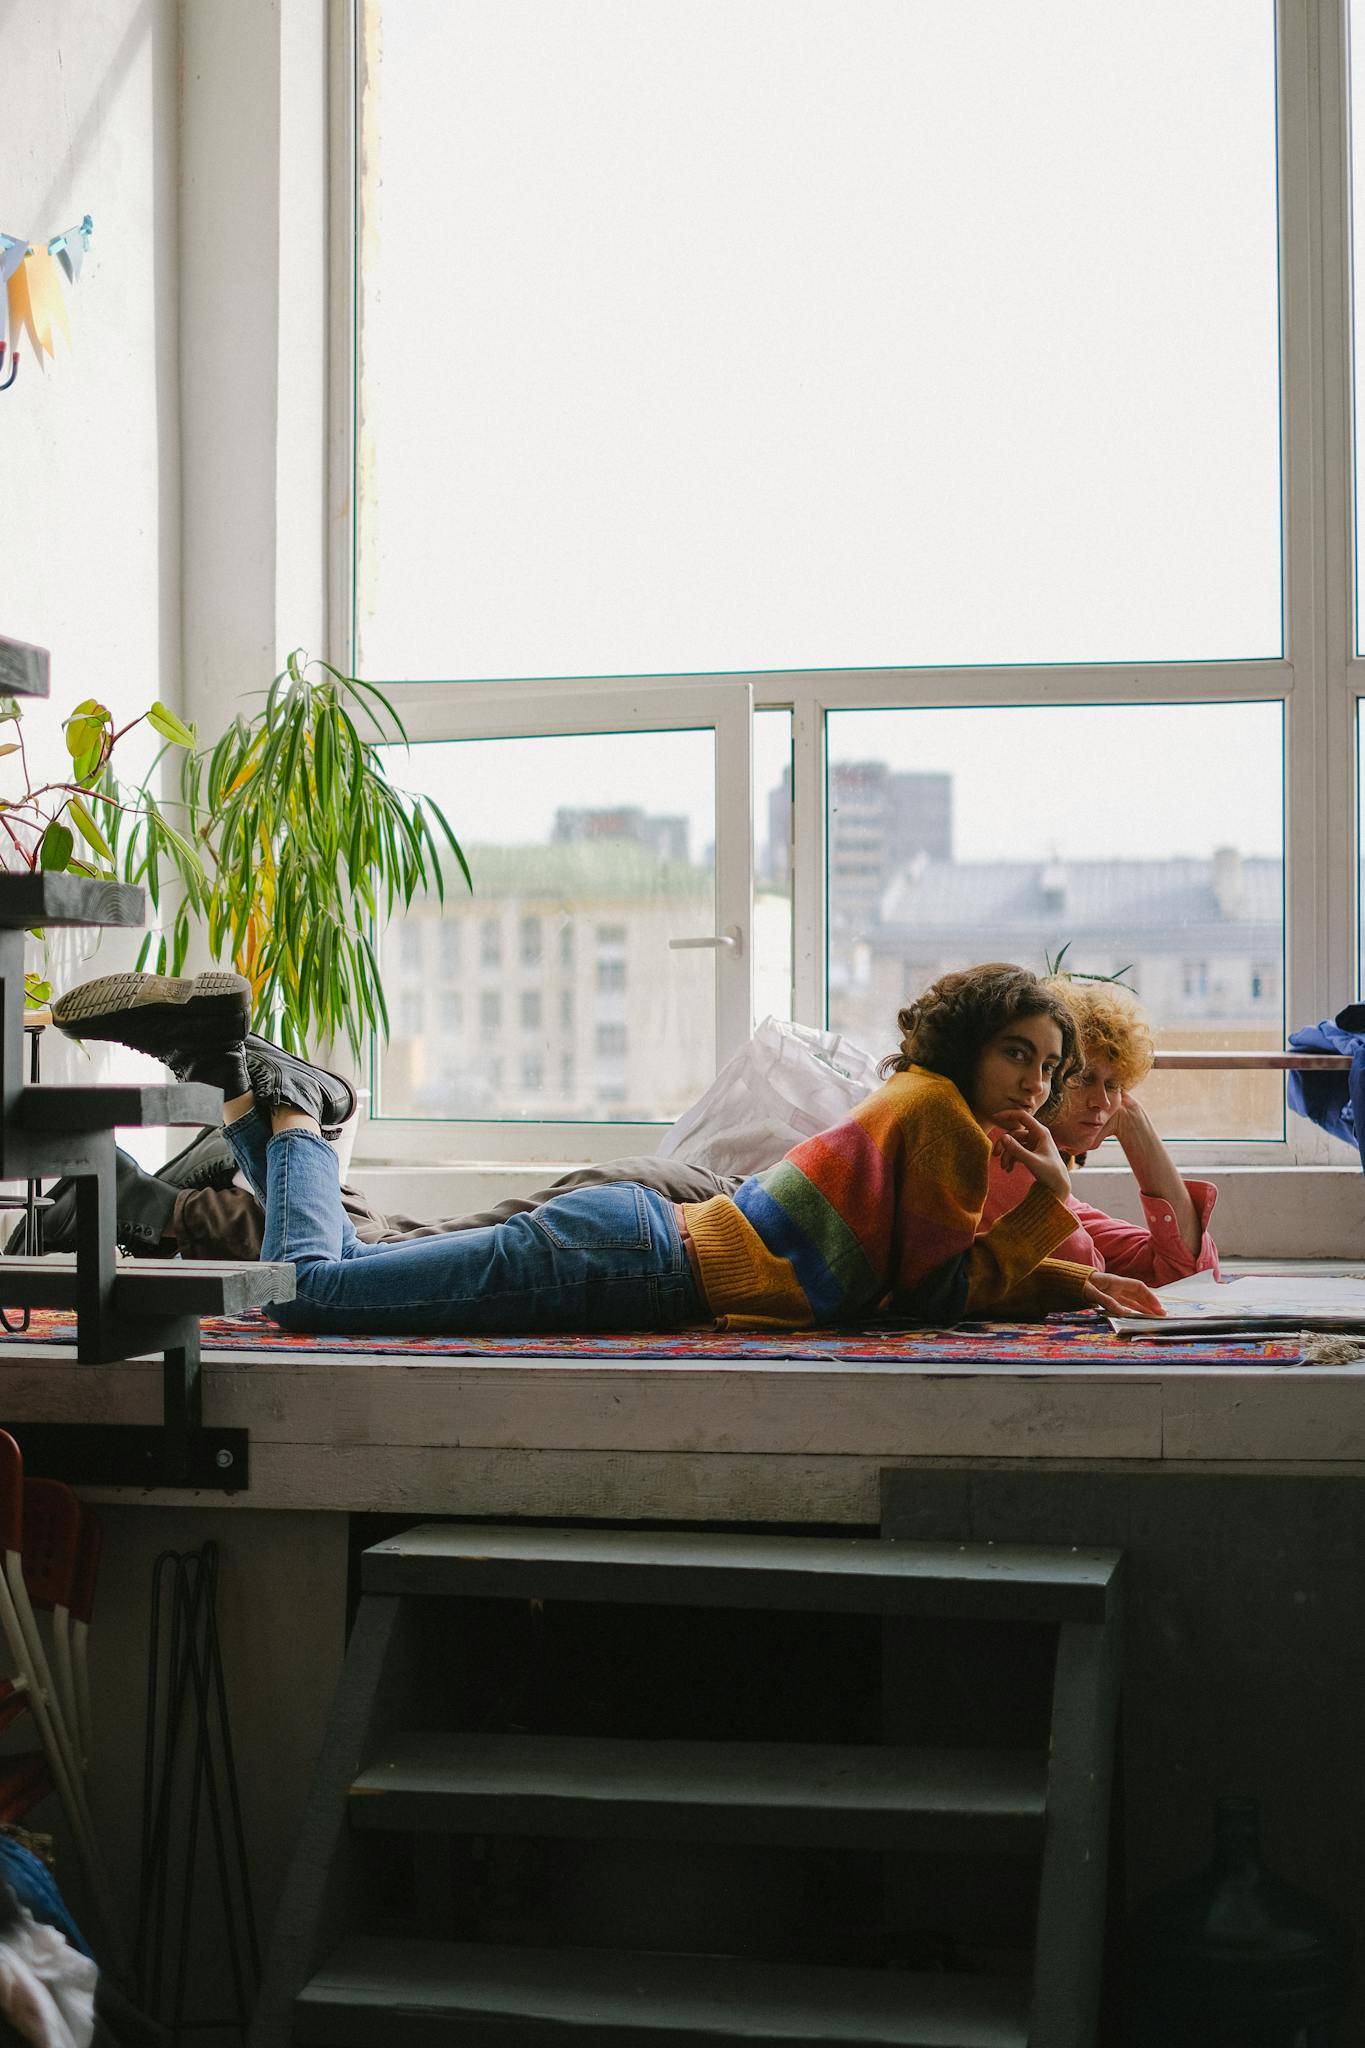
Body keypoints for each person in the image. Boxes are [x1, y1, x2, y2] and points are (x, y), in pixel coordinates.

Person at [48, 962, 1165, 1335]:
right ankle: (301, 1112)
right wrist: (1044, 1214)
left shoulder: (925, 1109)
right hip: (637, 1259)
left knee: (316, 1279)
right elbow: (925, 1299)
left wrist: (1074, 1277)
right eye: (1021, 1053)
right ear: (975, 1048)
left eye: (1046, 1065)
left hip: (635, 1243)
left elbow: (917, 1270)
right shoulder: (940, 1127)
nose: (1037, 1079)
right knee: (301, 1291)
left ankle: (239, 1085)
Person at [984, 978, 1219, 1284]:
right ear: (1046, 1073)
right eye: (1082, 1079)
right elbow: (1081, 1263)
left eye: (1114, 1085)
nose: (1103, 1102)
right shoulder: (1004, 1147)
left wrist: (1135, 1124)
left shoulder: (1043, 1171)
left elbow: (1190, 1273)